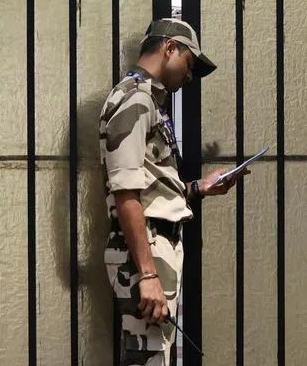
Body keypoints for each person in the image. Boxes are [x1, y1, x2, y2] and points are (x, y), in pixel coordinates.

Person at [99, 18, 248, 365]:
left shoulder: (147, 101)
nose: (190, 76)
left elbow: (148, 185)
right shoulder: (135, 99)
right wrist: (148, 274)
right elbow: (125, 193)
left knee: (156, 355)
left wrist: (198, 188)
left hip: (153, 246)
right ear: (169, 48)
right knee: (148, 358)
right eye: (189, 64)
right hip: (144, 251)